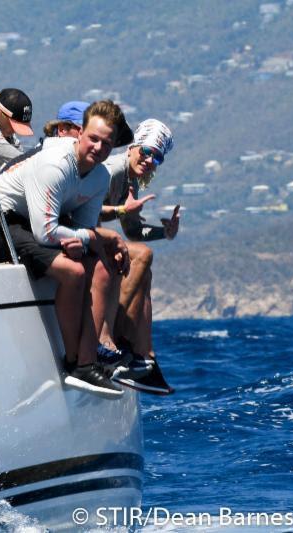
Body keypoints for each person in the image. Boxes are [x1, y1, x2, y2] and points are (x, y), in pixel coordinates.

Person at [0, 100, 131, 396]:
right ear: (79, 133)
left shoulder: (99, 177)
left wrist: (87, 242)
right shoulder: (54, 165)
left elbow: (84, 228)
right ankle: (72, 361)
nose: (98, 147)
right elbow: (46, 234)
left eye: (106, 144)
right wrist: (86, 239)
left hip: (41, 222)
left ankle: (88, 363)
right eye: (93, 139)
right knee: (72, 271)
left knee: (102, 271)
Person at [99, 119, 179, 394]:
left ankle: (145, 358)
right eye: (146, 151)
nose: (149, 160)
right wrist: (121, 210)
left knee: (144, 268)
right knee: (142, 255)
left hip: (88, 232)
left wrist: (164, 233)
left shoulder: (130, 179)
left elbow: (133, 231)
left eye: (157, 157)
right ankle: (107, 338)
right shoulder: (112, 170)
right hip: (70, 230)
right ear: (132, 147)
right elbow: (79, 209)